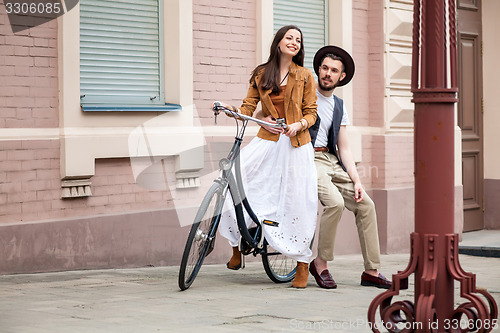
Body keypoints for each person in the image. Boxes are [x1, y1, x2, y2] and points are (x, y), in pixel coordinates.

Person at [256, 45, 392, 290]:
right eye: (325, 68)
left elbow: (344, 149)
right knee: (335, 203)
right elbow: (268, 107)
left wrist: (357, 181)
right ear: (318, 70)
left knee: (366, 205)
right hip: (306, 156)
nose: (328, 73)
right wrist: (262, 116)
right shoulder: (302, 91)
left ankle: (371, 271)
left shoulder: (339, 106)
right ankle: (321, 263)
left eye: (334, 71)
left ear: (342, 77)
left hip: (331, 159)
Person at [213, 25, 318, 288]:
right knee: (235, 183)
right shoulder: (261, 74)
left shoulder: (305, 75)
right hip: (267, 140)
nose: (294, 42)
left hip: (295, 144)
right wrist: (230, 109)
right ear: (278, 42)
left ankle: (302, 263)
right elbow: (248, 107)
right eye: (289, 38)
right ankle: (237, 246)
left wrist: (299, 125)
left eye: (299, 40)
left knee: (296, 201)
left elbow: (312, 112)